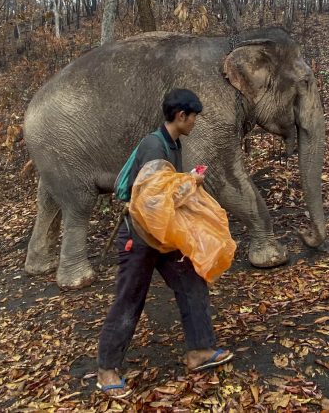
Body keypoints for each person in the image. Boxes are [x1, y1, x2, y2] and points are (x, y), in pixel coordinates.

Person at [95, 89, 233, 399]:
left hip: (164, 235)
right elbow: (153, 201)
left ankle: (199, 350)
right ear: (181, 116)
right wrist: (191, 182)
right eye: (193, 117)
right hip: (140, 236)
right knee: (130, 298)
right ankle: (107, 369)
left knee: (192, 282)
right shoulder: (154, 146)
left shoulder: (173, 144)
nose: (195, 122)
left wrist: (187, 180)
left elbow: (165, 192)